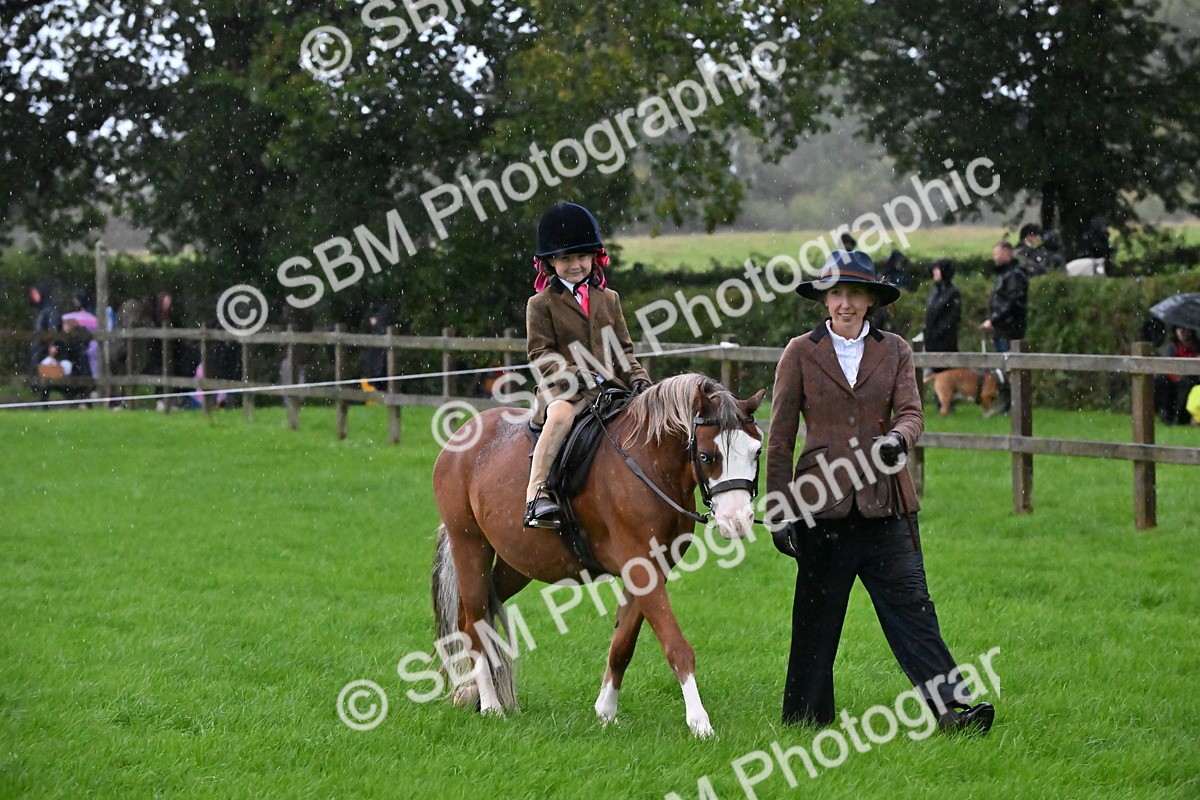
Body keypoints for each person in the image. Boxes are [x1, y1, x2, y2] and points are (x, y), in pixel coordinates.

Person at [766, 249, 995, 735]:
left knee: (914, 612)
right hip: (820, 509)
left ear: (871, 299)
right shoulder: (800, 352)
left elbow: (912, 413)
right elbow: (781, 436)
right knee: (816, 621)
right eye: (836, 293)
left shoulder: (895, 350)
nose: (845, 303)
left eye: (854, 293)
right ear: (825, 299)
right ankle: (807, 719)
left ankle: (955, 711)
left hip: (886, 507)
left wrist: (898, 439)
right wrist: (778, 508)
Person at [524, 202, 651, 529]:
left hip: (609, 387)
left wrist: (639, 380)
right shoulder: (541, 304)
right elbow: (540, 353)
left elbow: (624, 349)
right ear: (551, 262)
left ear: (594, 257)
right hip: (563, 390)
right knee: (562, 416)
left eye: (581, 257)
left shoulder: (609, 299)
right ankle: (537, 493)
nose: (575, 265)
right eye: (566, 259)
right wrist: (575, 376)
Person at [982, 241, 1028, 354]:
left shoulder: (1014, 275)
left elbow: (1011, 302)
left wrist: (994, 320)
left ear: (1007, 254)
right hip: (1002, 329)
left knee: (1008, 365)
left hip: (1009, 330)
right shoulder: (1004, 275)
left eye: (997, 254)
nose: (994, 258)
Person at [1154, 326, 1199, 425]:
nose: (1182, 332)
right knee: (1160, 381)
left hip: (1191, 381)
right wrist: (1177, 376)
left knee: (1188, 383)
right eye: (1179, 329)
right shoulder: (1172, 347)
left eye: (1184, 329)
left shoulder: (1196, 347)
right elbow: (1165, 366)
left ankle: (1181, 418)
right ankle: (1167, 414)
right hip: (1172, 380)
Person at [922, 259, 961, 372]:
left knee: (945, 376)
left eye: (937, 269)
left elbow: (953, 318)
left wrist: (938, 332)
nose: (934, 271)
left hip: (945, 343)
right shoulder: (935, 291)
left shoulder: (952, 292)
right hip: (931, 342)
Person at [28, 282, 60, 374]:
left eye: (35, 293)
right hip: (38, 346)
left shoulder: (49, 309)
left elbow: (53, 328)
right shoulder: (41, 310)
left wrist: (52, 344)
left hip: (43, 347)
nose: (33, 296)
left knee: (42, 371)